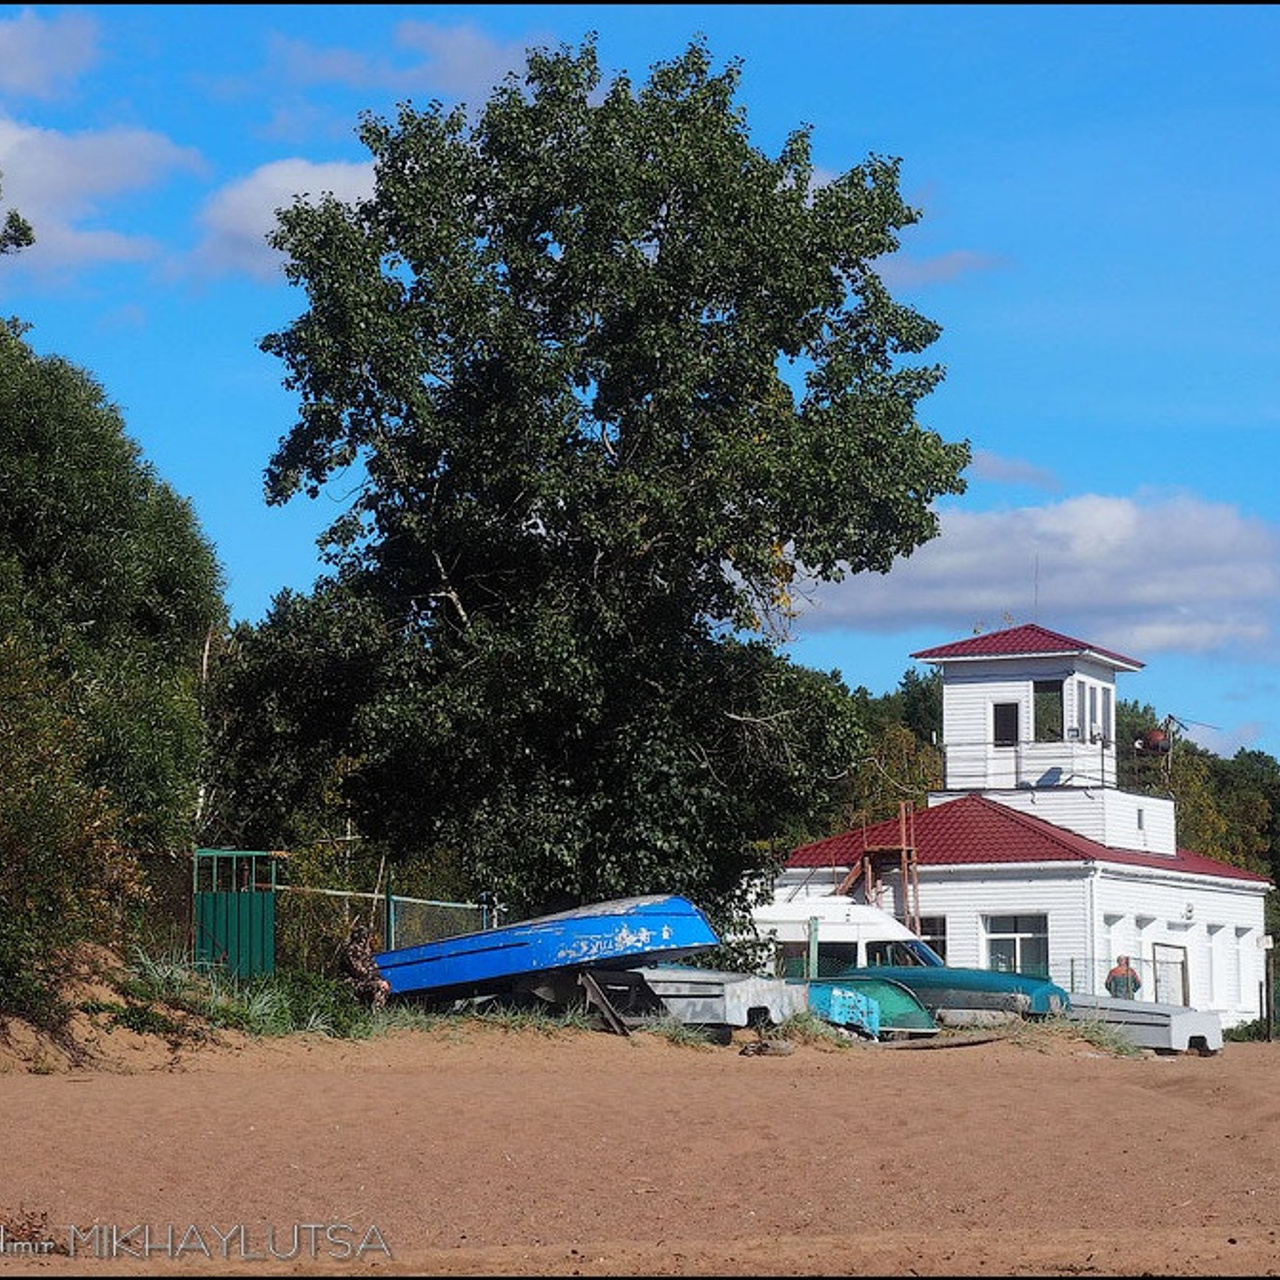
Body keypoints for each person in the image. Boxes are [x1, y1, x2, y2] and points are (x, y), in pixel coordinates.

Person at [341, 923, 391, 1008]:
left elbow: (375, 970)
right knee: (378, 986)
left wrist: (382, 980)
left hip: (364, 982)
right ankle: (373, 1015)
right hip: (351, 984)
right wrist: (377, 981)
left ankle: (375, 1014)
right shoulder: (351, 951)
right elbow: (358, 972)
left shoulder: (366, 953)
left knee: (383, 985)